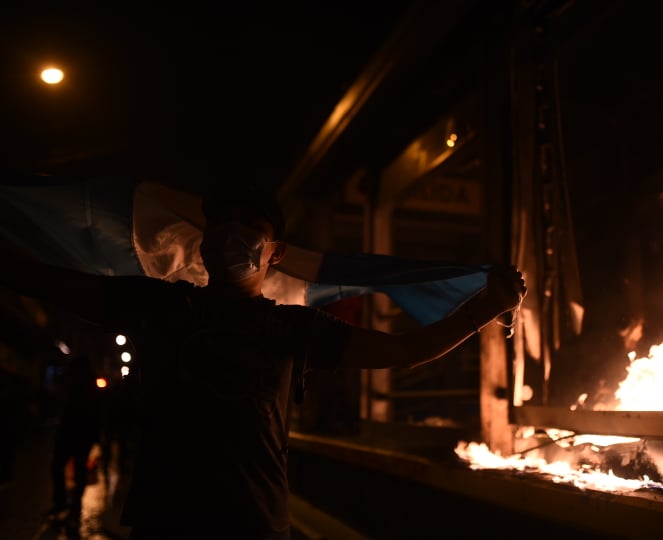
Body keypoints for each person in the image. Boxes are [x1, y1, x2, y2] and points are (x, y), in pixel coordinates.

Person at [0, 188, 526, 540]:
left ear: (275, 253)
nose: (231, 236)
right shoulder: (160, 305)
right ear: (202, 243)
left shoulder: (293, 326)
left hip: (252, 524)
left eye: (247, 229)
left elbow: (405, 352)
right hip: (167, 521)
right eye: (221, 226)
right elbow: (48, 282)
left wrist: (486, 307)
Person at [48, 354, 102, 537]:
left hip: (73, 432)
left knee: (62, 466)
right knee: (74, 468)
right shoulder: (87, 384)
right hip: (80, 434)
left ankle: (65, 502)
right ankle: (71, 503)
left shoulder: (79, 384)